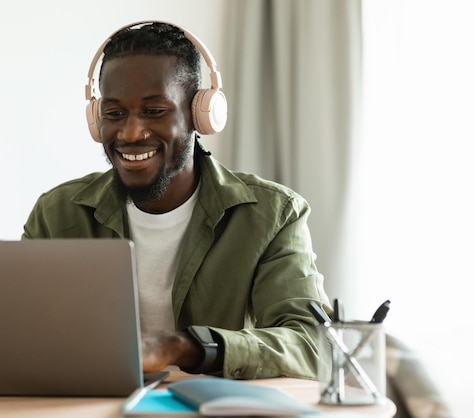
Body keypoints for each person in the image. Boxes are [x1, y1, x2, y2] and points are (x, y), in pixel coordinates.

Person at [22, 21, 332, 380]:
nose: (131, 132)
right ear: (96, 119)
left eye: (154, 111)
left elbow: (312, 344)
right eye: (114, 113)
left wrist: (182, 347)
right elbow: (19, 331)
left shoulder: (273, 215)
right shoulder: (56, 213)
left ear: (200, 115)